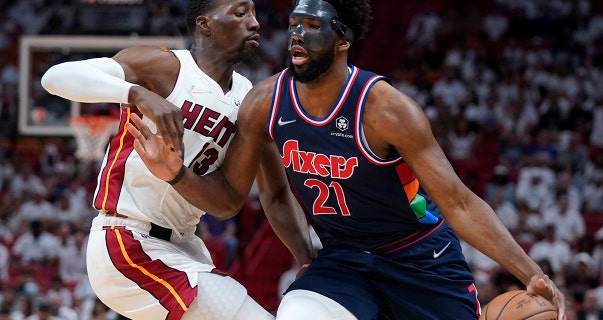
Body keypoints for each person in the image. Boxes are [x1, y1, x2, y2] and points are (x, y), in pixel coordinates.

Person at [126, 0, 566, 319]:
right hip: (343, 260)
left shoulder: (387, 109)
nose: (296, 33)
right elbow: (238, 199)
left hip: (419, 259)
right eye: (294, 23)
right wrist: (178, 174)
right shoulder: (264, 102)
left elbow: (460, 203)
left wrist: (529, 272)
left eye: (311, 25)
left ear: (341, 40)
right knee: (297, 314)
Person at [40, 0, 314, 319]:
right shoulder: (162, 66)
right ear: (205, 24)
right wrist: (137, 94)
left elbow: (265, 196)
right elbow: (55, 77)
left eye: (254, 14)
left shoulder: (249, 100)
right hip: (128, 241)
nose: (254, 23)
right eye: (240, 13)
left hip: (186, 245)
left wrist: (309, 263)